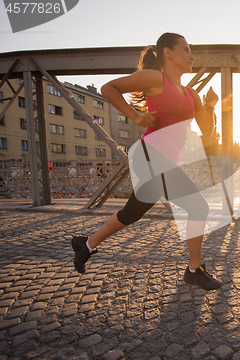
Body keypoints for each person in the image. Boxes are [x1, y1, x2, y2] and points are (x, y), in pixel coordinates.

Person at [71, 32, 222, 291]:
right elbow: (109, 88)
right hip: (150, 155)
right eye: (186, 49)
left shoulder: (191, 95)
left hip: (164, 162)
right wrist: (135, 116)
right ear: (168, 52)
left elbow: (207, 131)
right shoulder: (156, 79)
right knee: (198, 208)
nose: (191, 56)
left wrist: (210, 106)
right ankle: (194, 270)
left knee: (131, 214)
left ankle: (85, 244)